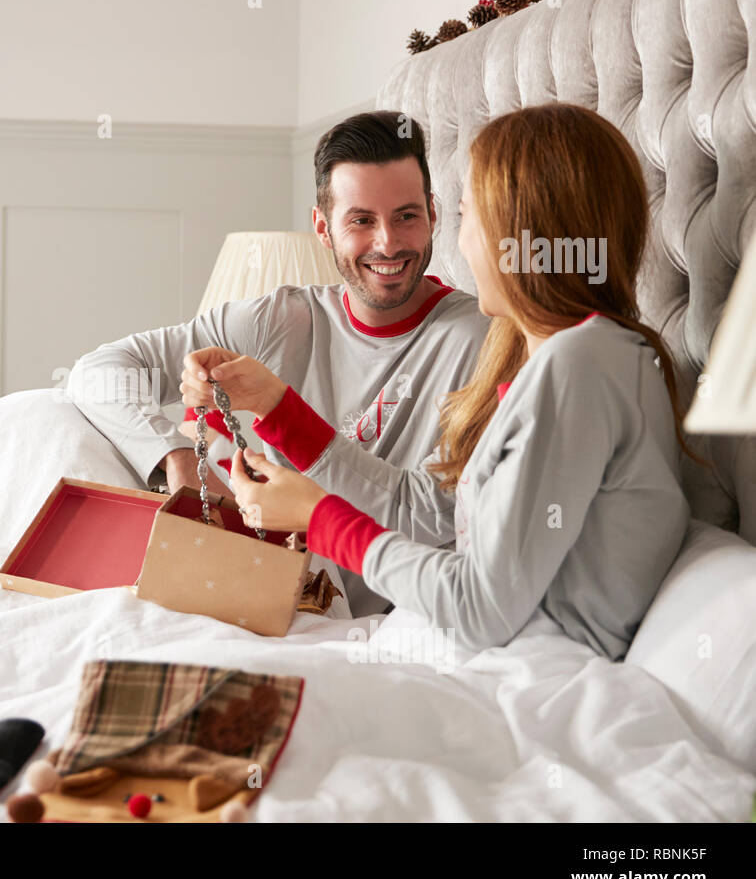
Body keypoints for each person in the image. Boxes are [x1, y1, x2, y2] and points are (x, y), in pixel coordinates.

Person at [187, 103, 693, 661]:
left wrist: (319, 519)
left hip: (530, 677)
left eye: (466, 215)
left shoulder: (581, 367)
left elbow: (480, 607)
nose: (463, 246)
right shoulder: (578, 353)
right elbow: (429, 508)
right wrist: (279, 413)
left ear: (519, 235)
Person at [67, 111, 490, 615]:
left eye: (406, 215)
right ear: (322, 228)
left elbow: (430, 518)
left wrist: (279, 409)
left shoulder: (480, 341)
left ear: (434, 214)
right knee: (43, 419)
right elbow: (99, 371)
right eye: (361, 220)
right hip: (253, 594)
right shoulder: (281, 320)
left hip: (374, 622)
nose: (388, 243)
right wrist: (177, 459)